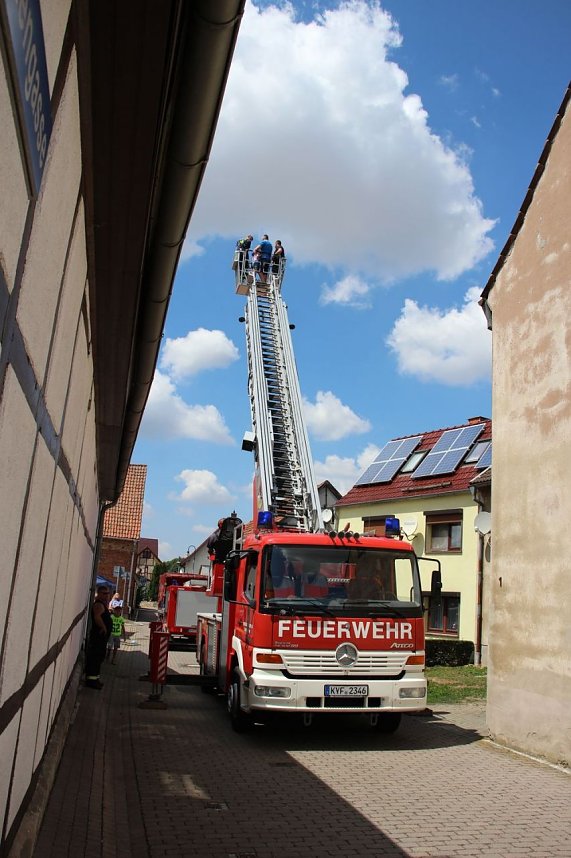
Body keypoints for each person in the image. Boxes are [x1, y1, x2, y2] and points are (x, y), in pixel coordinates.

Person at [85, 585, 112, 689]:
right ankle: (91, 681)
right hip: (98, 637)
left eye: (108, 593)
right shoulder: (98, 605)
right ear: (99, 594)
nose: (107, 595)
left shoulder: (103, 604)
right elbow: (97, 617)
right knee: (95, 658)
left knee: (99, 657)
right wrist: (103, 627)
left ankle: (95, 679)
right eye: (104, 593)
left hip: (102, 638)